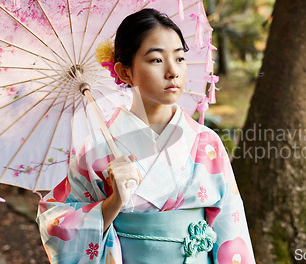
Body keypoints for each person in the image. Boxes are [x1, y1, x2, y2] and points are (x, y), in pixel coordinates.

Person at [37, 8, 255, 264]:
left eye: (180, 58)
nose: (173, 71)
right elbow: (56, 224)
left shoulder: (207, 143)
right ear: (124, 72)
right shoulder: (95, 150)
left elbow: (231, 228)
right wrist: (113, 202)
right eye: (156, 60)